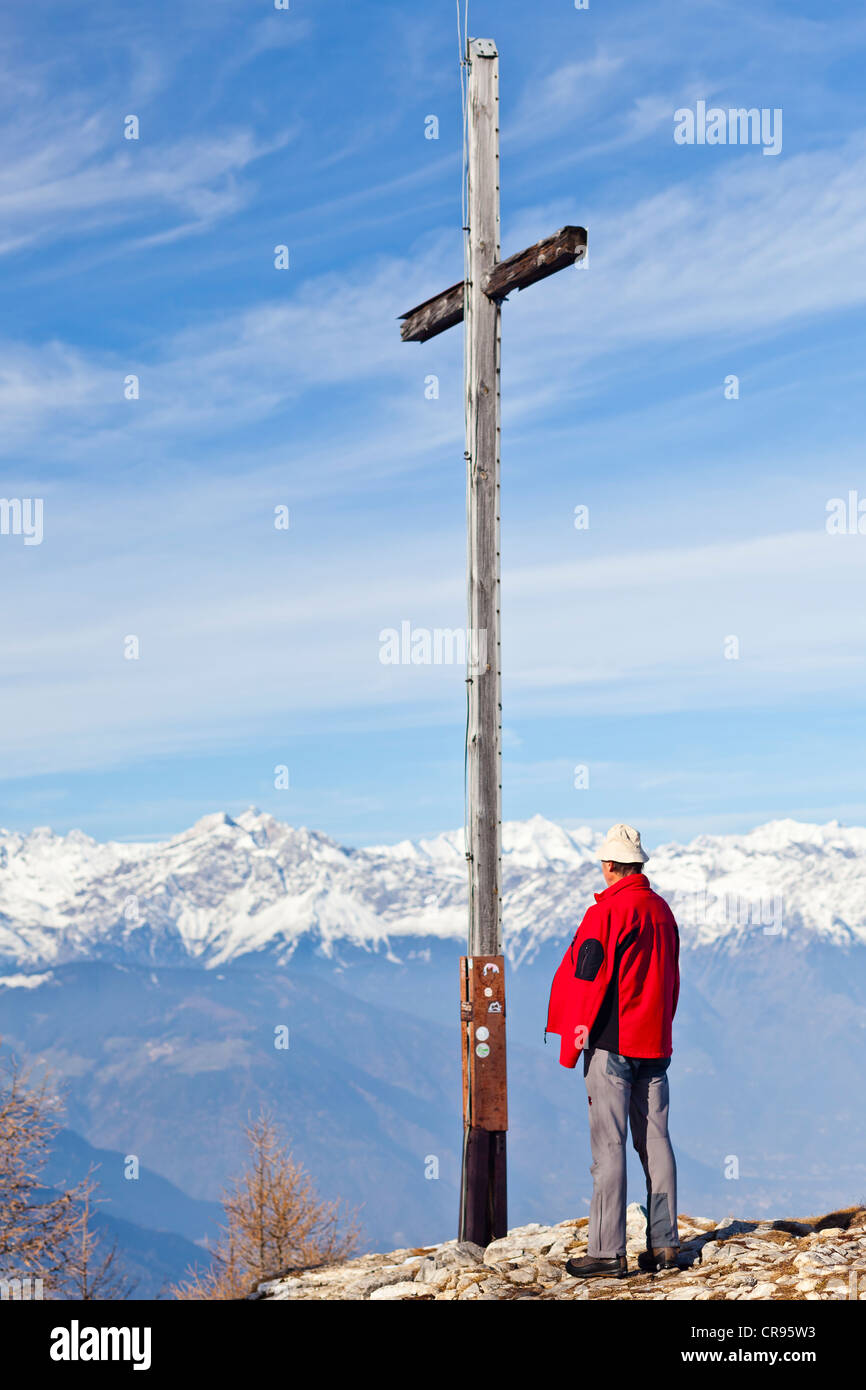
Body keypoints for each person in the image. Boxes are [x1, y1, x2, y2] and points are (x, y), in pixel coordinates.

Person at [545, 822, 680, 1279]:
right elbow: (671, 979)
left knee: (609, 1144)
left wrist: (572, 1038)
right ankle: (664, 1243)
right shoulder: (662, 911)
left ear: (608, 865)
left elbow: (587, 980)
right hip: (655, 1045)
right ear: (638, 864)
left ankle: (606, 1252)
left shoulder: (605, 913)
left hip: (613, 1044)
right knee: (656, 1141)